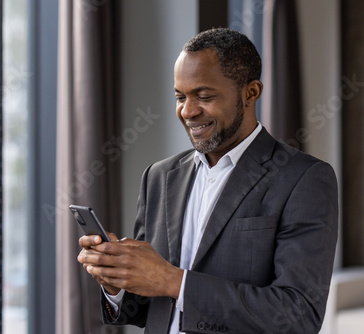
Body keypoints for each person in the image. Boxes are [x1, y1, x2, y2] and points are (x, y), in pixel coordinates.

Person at [77, 28, 338, 334]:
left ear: (250, 93)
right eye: (180, 97)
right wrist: (117, 281)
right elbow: (150, 307)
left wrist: (172, 280)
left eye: (204, 96)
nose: (187, 111)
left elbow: (298, 316)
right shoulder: (159, 177)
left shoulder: (303, 178)